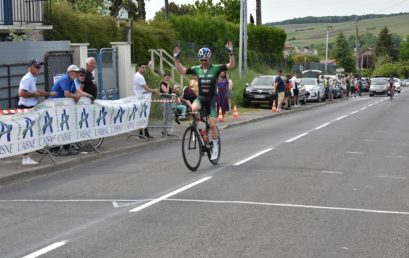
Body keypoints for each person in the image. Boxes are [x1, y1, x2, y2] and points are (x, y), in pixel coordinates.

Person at [173, 41, 235, 160]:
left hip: (211, 99)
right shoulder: (196, 69)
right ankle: (196, 129)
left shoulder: (216, 68)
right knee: (193, 109)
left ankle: (215, 146)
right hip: (201, 98)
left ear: (209, 58)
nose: (203, 62)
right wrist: (176, 59)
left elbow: (231, 65)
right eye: (201, 60)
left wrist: (231, 52)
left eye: (205, 60)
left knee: (212, 125)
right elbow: (181, 71)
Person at [18, 59, 57, 165]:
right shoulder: (27, 78)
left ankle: (27, 156)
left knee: (31, 131)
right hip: (26, 107)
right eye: (37, 67)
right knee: (27, 132)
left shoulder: (32, 78)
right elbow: (22, 93)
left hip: (30, 107)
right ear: (30, 68)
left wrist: (48, 93)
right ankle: (25, 158)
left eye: (40, 67)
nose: (39, 69)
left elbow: (36, 91)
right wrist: (35, 95)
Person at [49, 64, 94, 155]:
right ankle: (56, 149)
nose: (77, 73)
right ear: (70, 72)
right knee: (60, 127)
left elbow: (77, 91)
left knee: (67, 126)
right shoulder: (65, 79)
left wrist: (89, 95)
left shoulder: (72, 80)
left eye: (77, 72)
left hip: (64, 108)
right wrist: (75, 97)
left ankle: (67, 147)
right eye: (75, 72)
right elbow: (66, 94)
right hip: (56, 107)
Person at [133, 62, 159, 139]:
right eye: (142, 67)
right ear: (139, 68)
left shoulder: (138, 75)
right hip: (141, 98)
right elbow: (146, 88)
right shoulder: (139, 77)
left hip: (141, 98)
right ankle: (143, 134)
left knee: (143, 116)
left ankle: (143, 134)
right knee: (143, 116)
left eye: (145, 68)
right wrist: (154, 90)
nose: (144, 69)